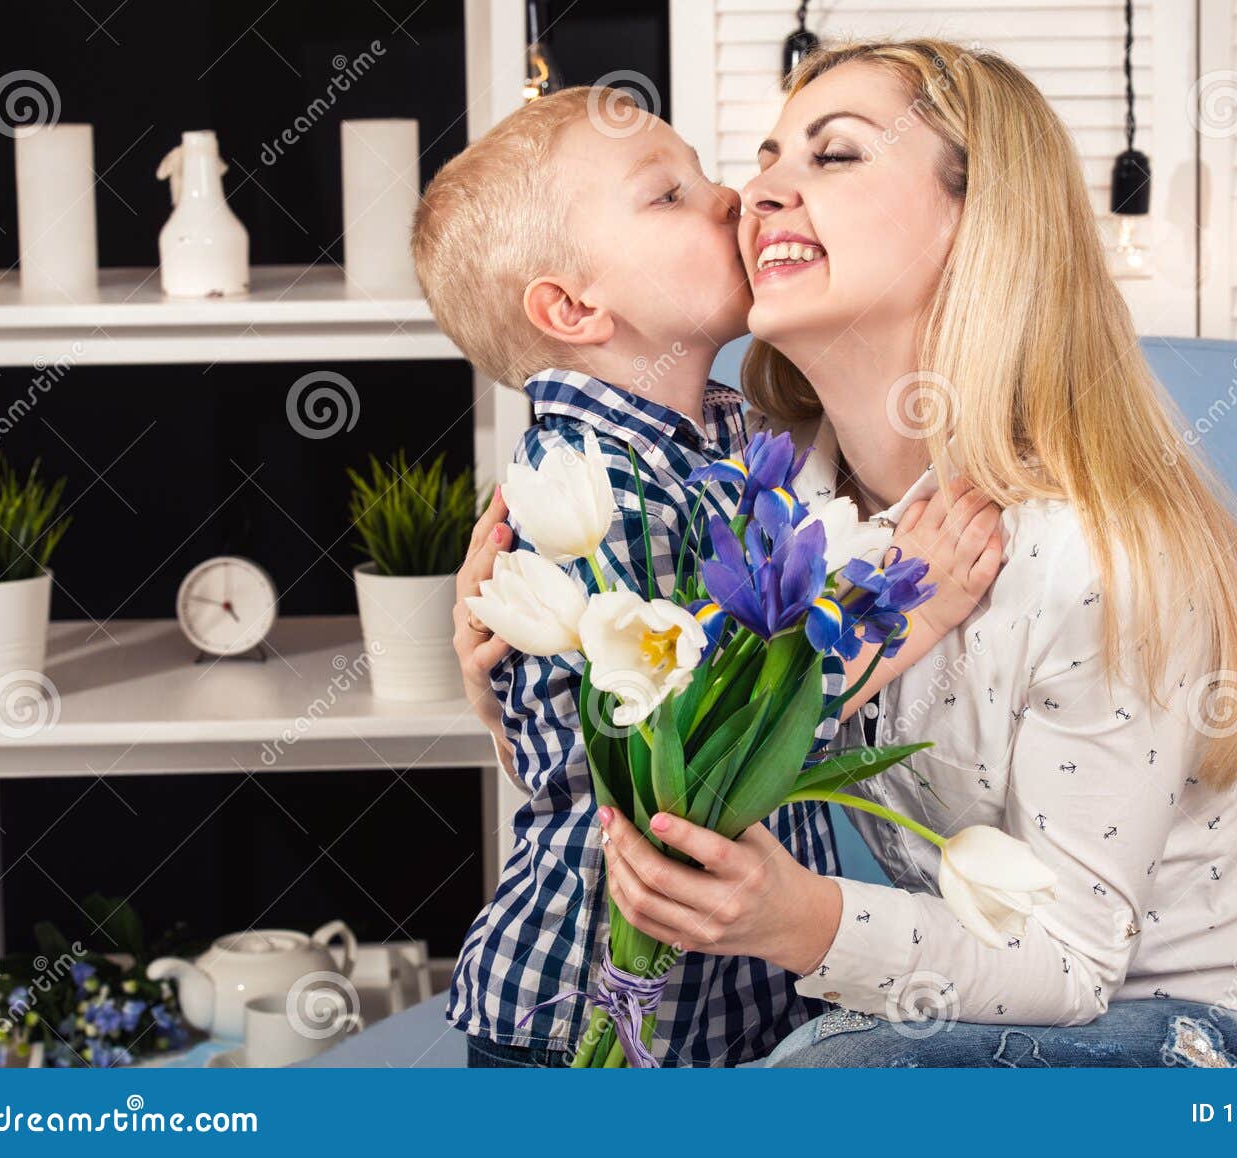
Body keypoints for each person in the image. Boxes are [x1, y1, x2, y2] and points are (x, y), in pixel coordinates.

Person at [593, 39, 1237, 1068]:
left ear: (977, 221)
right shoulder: (785, 518)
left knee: (835, 1078)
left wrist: (802, 921)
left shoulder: (1088, 552)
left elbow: (1070, 963)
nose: (757, 191)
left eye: (833, 156)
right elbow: (682, 740)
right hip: (1038, 1021)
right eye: (767, 156)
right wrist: (519, 654)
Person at [415, 85, 1000, 1066]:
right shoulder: (597, 487)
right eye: (668, 196)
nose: (731, 196)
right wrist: (920, 612)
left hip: (732, 1007)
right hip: (587, 1017)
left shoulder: (732, 436)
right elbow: (721, 738)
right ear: (572, 307)